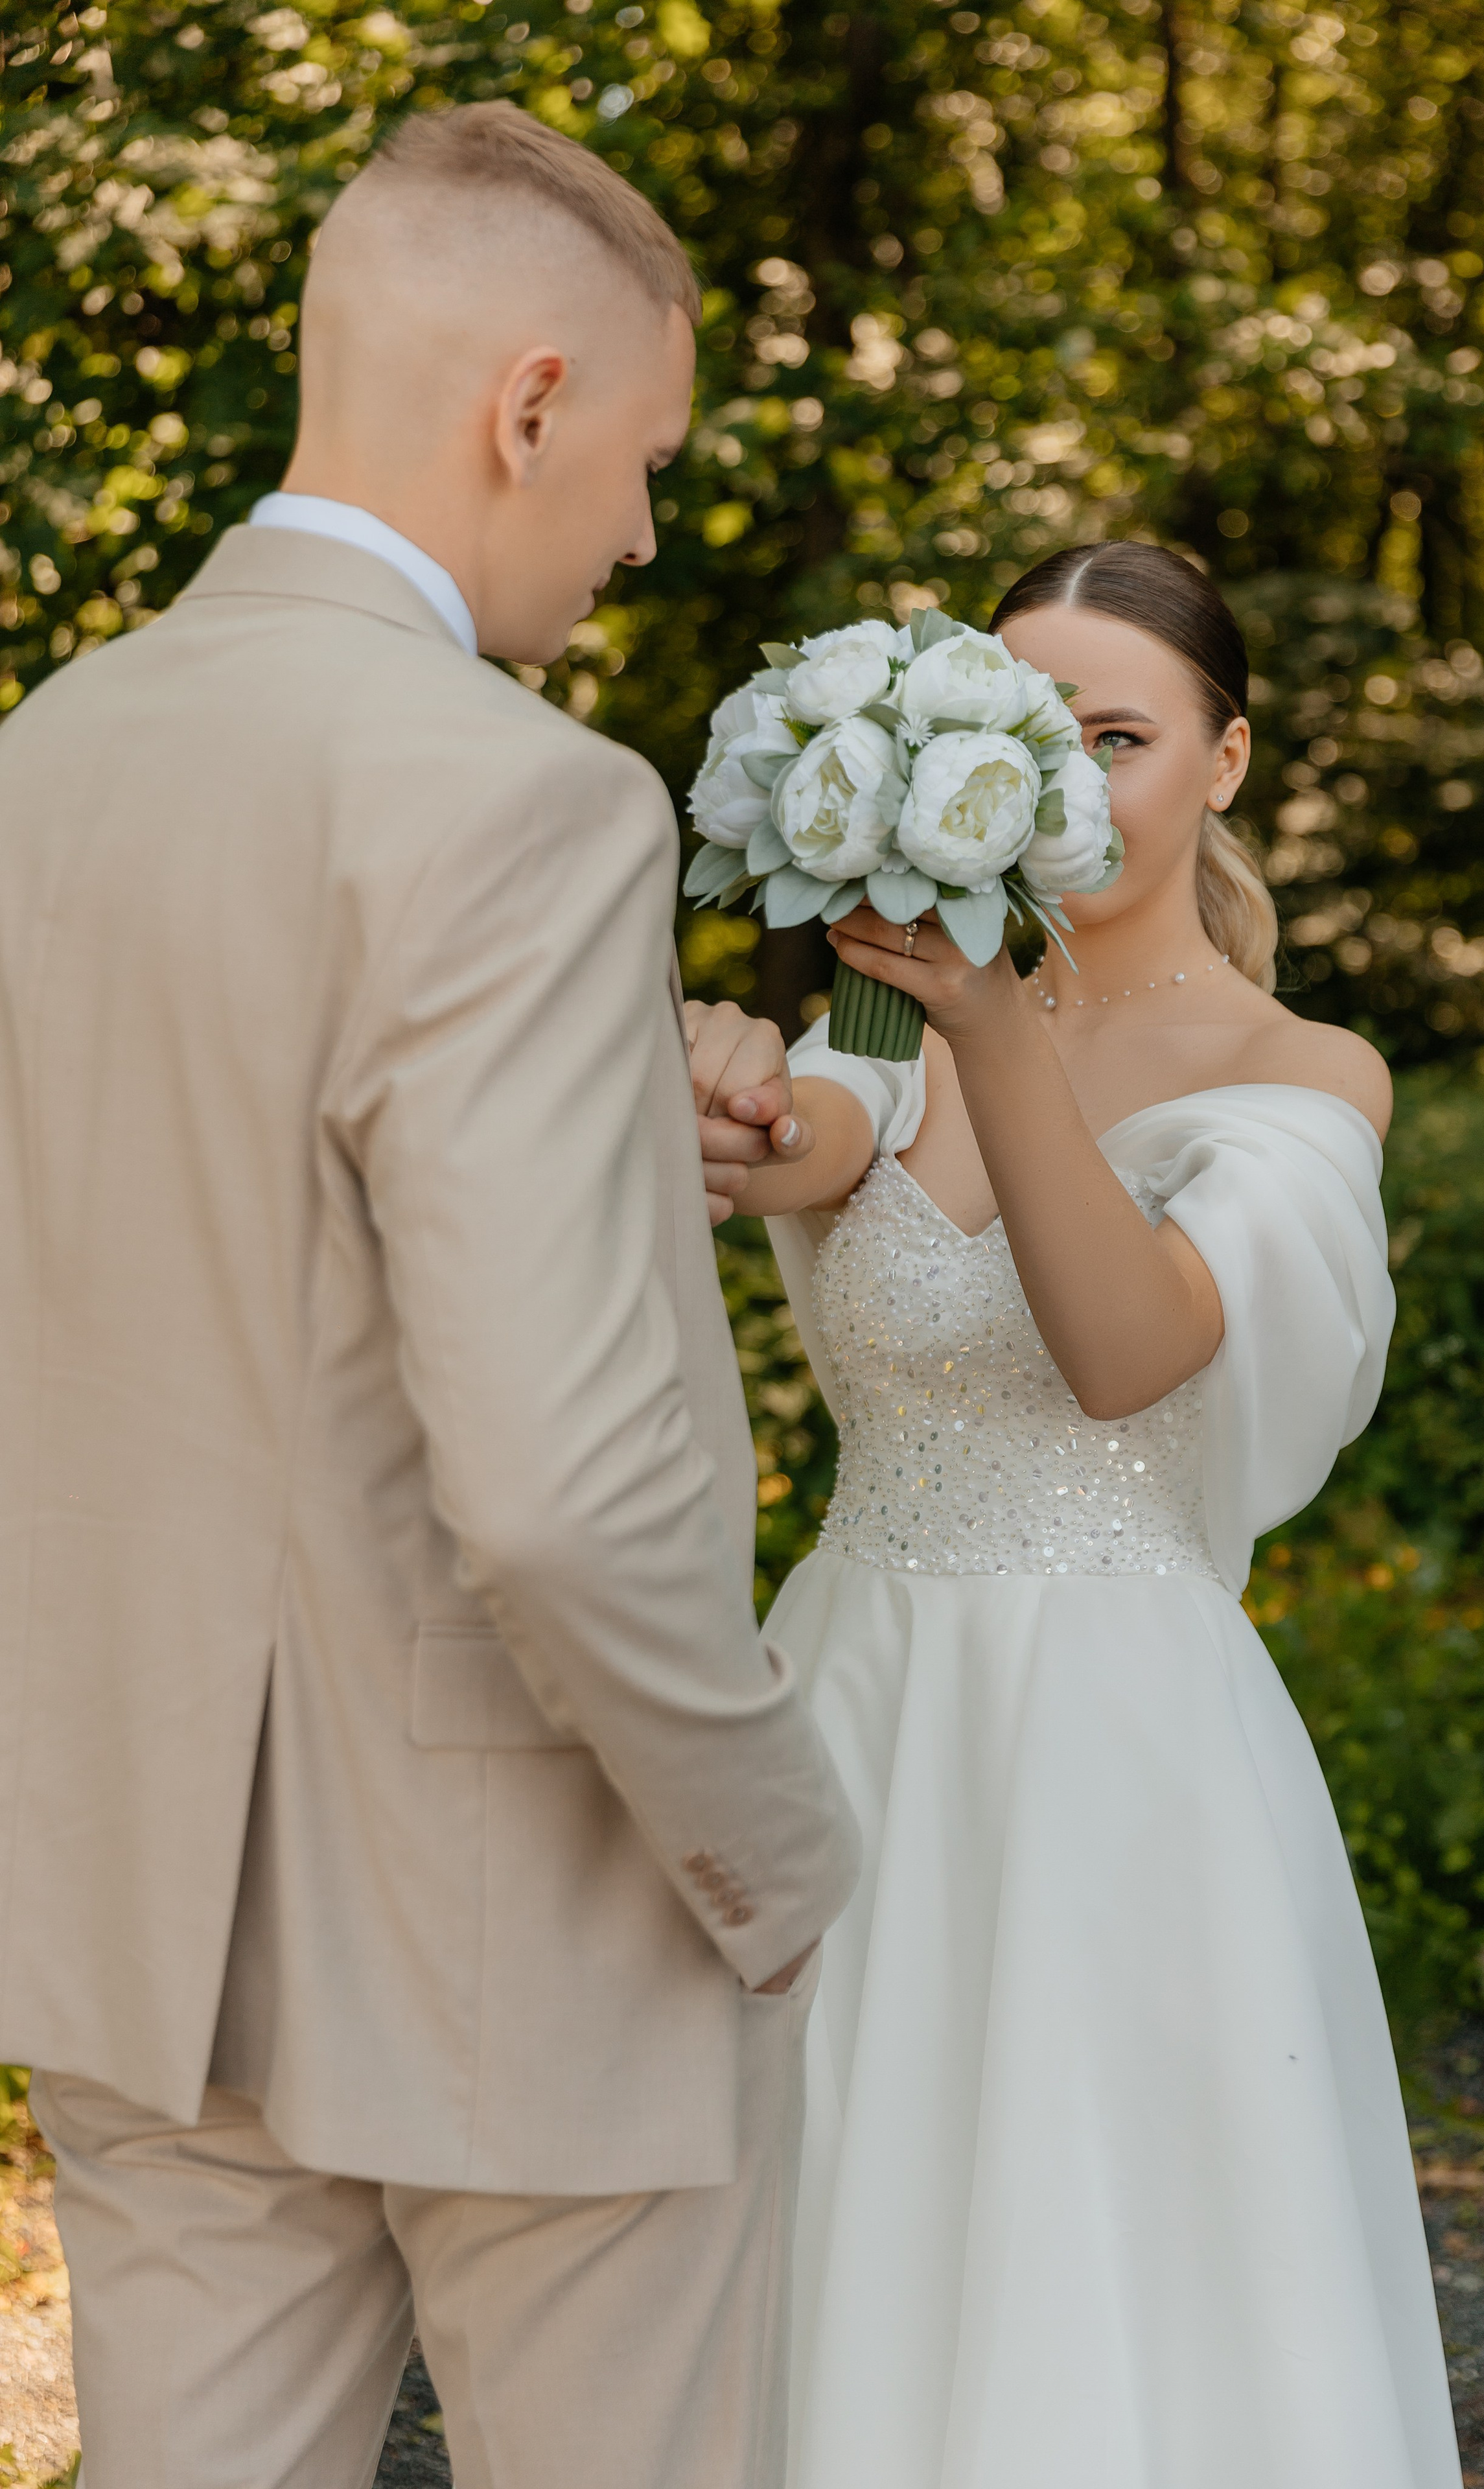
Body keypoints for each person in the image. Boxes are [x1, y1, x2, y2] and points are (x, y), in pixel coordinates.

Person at [0, 103, 857, 2489]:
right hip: (535, 1926)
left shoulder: (39, 766)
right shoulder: (522, 798)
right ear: (534, 403)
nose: (646, 532)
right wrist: (771, 1842)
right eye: (649, 461)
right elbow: (565, 1493)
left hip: (135, 1914)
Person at [702, 542, 1463, 2487]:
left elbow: (1130, 1350)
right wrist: (710, 1068)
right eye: (1025, 735)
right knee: (831, 2254)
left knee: (1093, 2283)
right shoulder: (888, 1036)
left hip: (1118, 1758)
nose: (1062, 787)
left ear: (1220, 762)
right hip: (852, 1708)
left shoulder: (1308, 1076)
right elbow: (777, 1152)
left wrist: (1001, 1037)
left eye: (1113, 737)